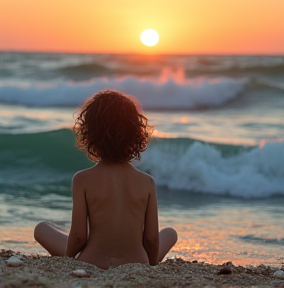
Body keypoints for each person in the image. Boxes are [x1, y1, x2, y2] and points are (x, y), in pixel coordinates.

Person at [34, 89, 177, 269]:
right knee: (170, 233)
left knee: (41, 229)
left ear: (90, 133)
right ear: (136, 134)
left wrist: (69, 260)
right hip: (138, 262)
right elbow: (151, 238)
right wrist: (151, 264)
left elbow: (78, 237)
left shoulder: (82, 179)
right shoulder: (147, 182)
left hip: (92, 262)